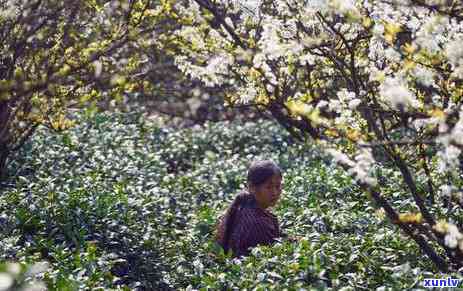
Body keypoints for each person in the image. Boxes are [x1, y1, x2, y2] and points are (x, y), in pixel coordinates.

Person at [215, 159, 294, 258]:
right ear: (252, 187)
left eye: (278, 186)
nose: (274, 192)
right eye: (268, 187)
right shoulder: (257, 222)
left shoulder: (246, 205)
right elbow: (274, 255)